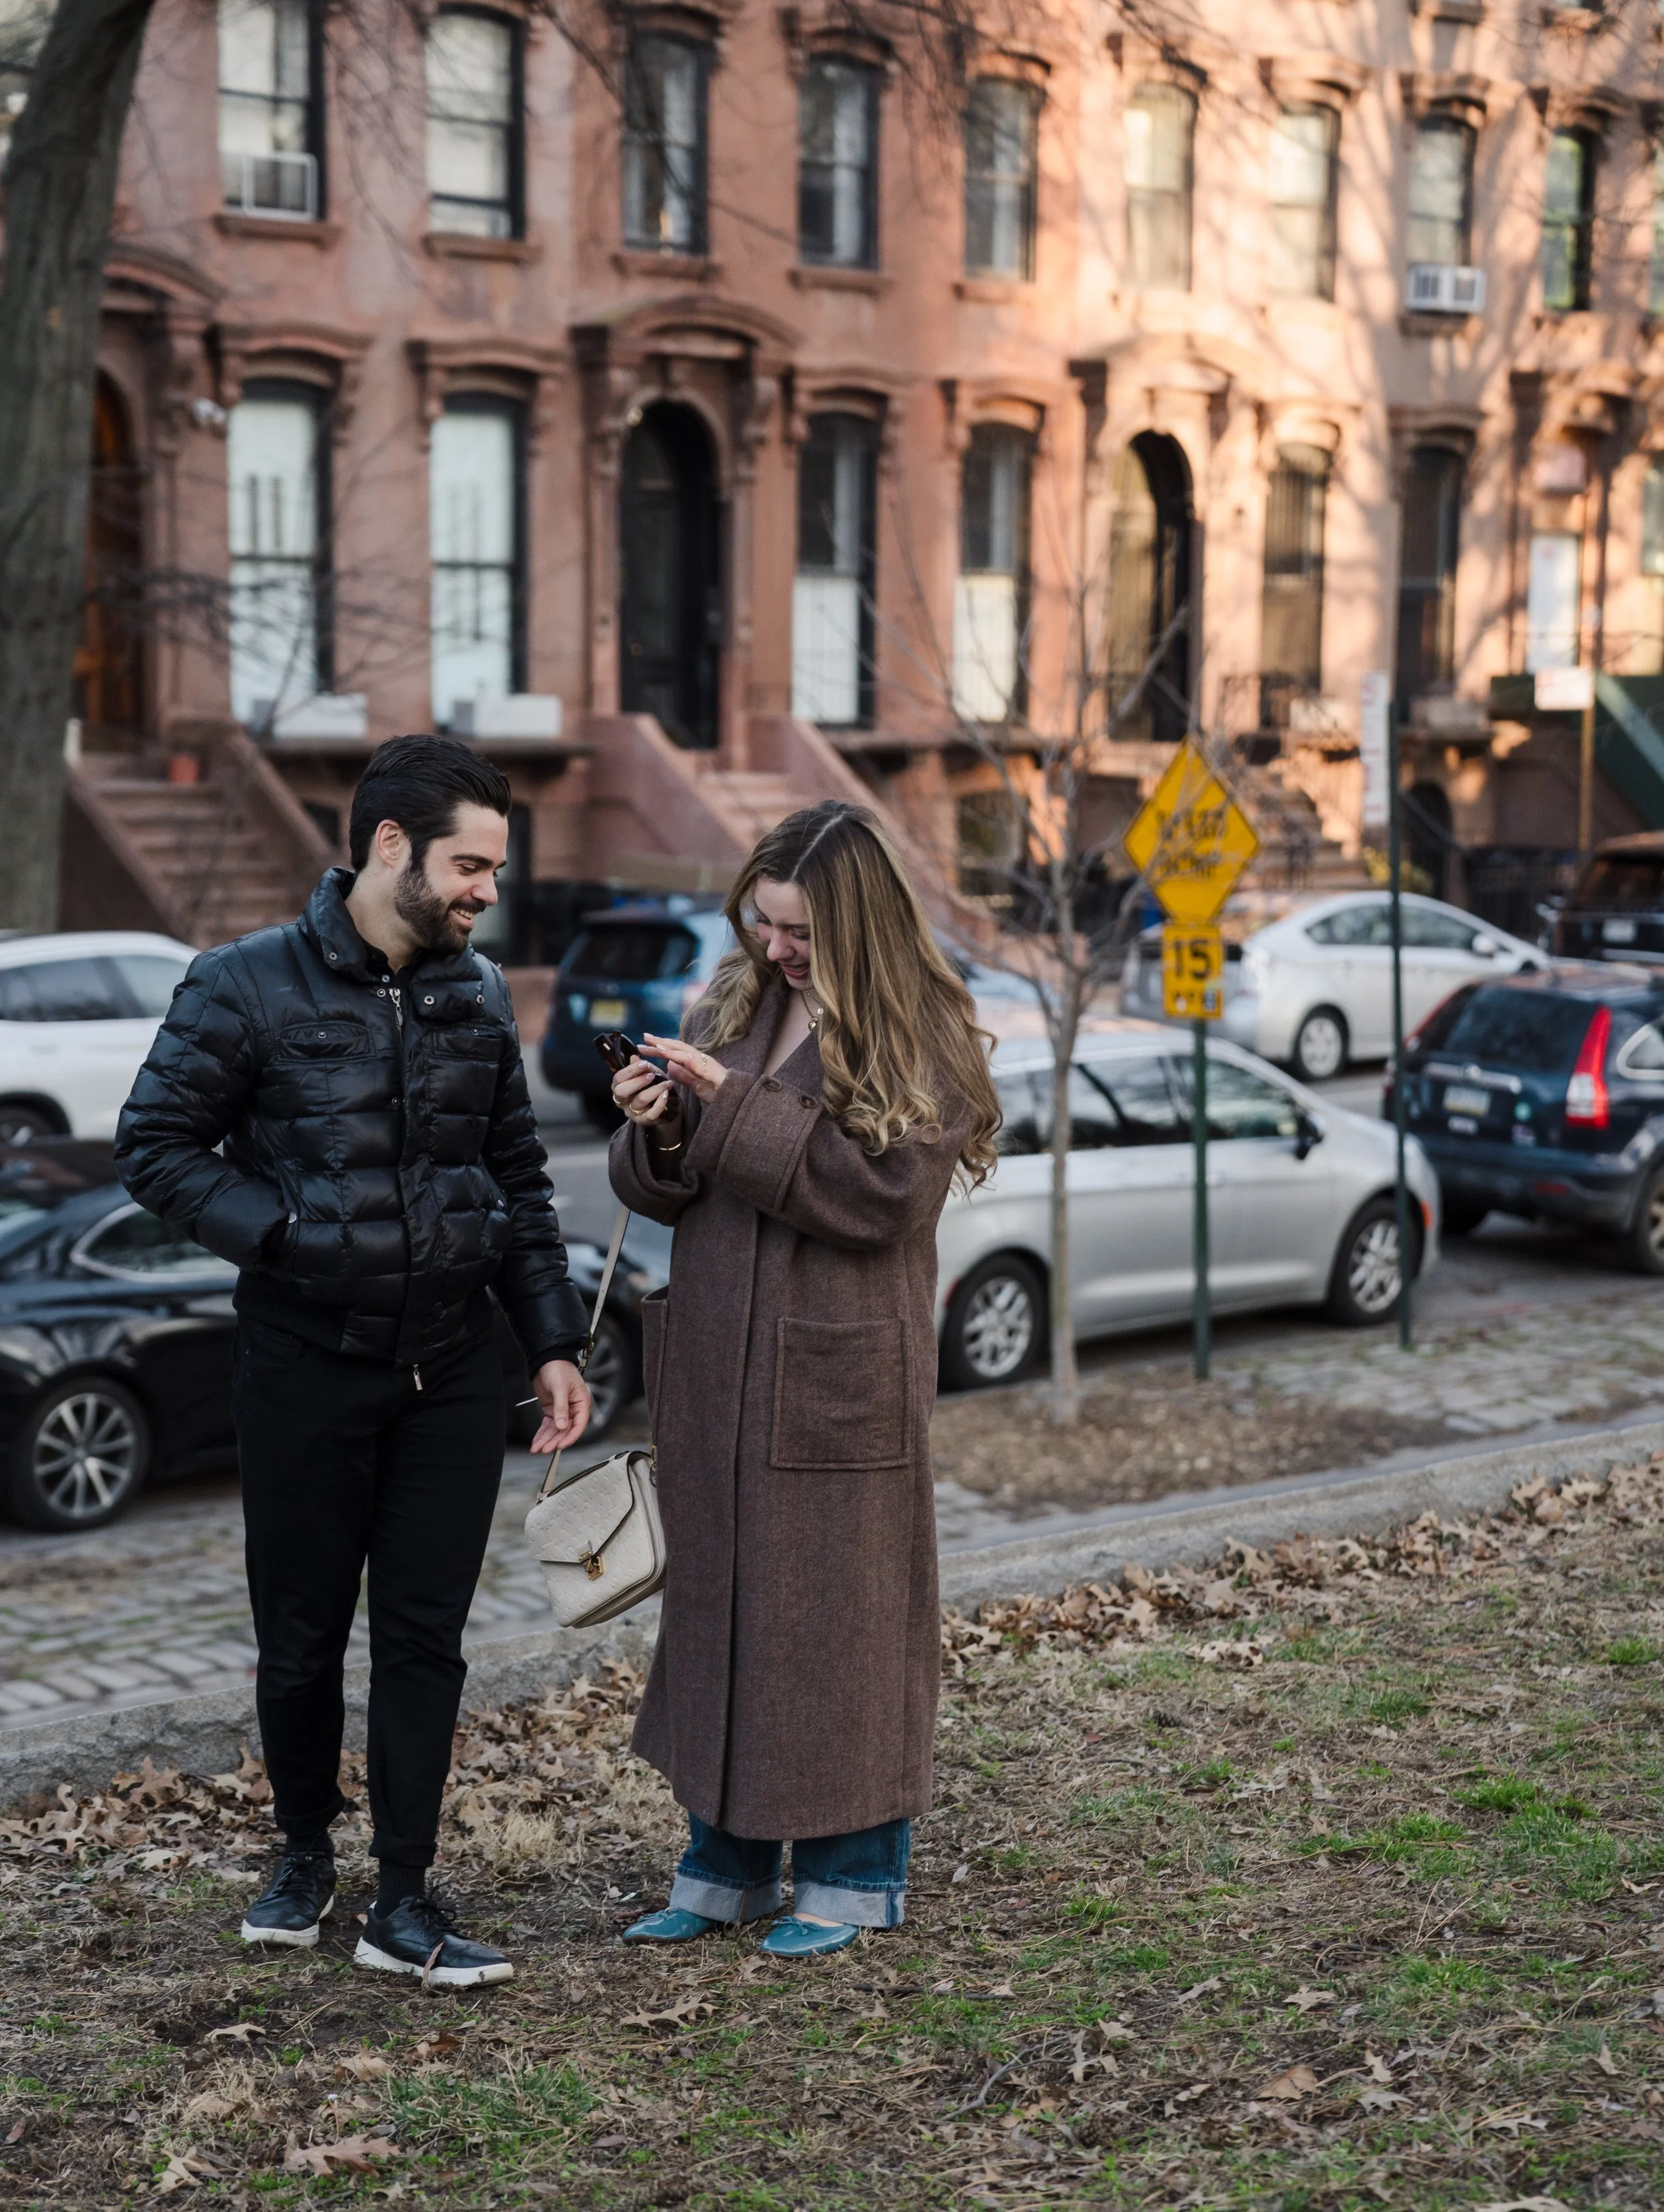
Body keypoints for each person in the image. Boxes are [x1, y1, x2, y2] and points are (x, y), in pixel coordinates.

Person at [115, 735, 591, 1988]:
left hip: (449, 1373)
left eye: (495, 867)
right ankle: (299, 1853)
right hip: (303, 1368)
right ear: (391, 846)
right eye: (471, 865)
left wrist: (549, 1338)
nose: (489, 890)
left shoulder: (477, 995)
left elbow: (519, 1179)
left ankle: (408, 1897)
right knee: (301, 1638)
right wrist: (280, 1234)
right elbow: (155, 1146)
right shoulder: (244, 985)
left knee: (426, 1642)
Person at [606, 800, 1000, 1956]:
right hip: (719, 1363)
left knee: (841, 1632)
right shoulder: (738, 1000)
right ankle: (719, 1869)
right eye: (767, 923)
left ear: (861, 926)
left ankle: (853, 1877)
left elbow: (882, 1198)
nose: (778, 950)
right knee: (723, 1613)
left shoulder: (924, 1030)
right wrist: (659, 1129)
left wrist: (727, 1110)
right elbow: (670, 1183)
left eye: (803, 934)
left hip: (838, 1376)